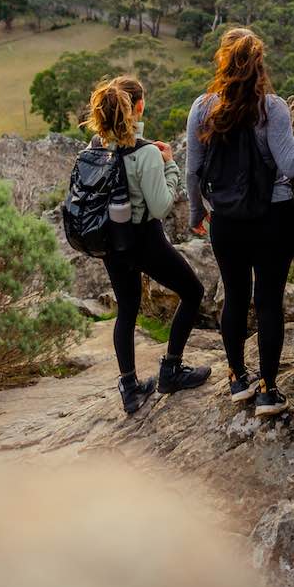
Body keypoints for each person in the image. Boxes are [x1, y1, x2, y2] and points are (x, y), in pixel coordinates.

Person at [186, 28, 294, 417]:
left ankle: (236, 379)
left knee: (234, 295)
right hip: (272, 216)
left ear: (223, 61)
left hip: (226, 220)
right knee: (268, 301)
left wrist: (198, 214)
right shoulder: (273, 108)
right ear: (260, 64)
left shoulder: (202, 107)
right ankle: (267, 391)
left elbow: (192, 172)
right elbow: (291, 165)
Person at [83, 74, 212, 415]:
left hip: (110, 242)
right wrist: (169, 163)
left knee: (127, 308)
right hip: (144, 239)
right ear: (137, 107)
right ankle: (171, 370)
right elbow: (161, 206)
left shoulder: (93, 149)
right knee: (192, 291)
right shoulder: (147, 153)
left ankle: (129, 387)